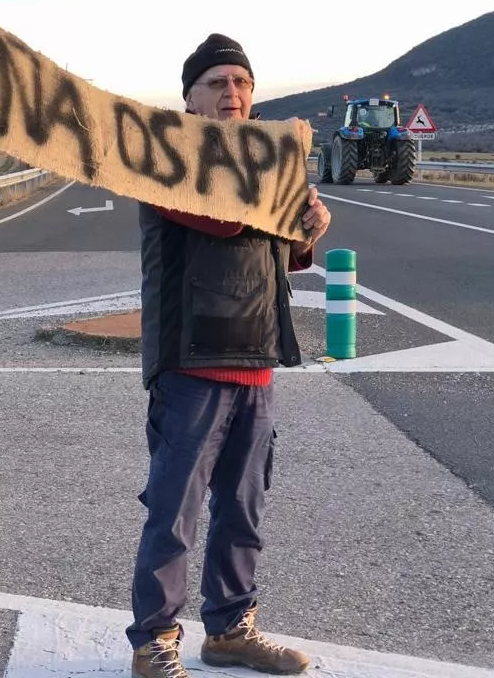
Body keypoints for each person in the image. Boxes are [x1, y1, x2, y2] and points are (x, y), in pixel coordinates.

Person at [127, 33, 332, 678]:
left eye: (241, 83)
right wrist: (282, 202)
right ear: (188, 98)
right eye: (216, 83)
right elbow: (225, 220)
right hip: (190, 366)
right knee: (174, 512)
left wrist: (306, 233)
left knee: (243, 509)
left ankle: (229, 629)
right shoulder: (168, 162)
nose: (232, 93)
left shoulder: (264, 170)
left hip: (256, 362)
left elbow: (280, 250)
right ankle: (155, 641)